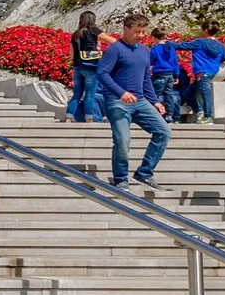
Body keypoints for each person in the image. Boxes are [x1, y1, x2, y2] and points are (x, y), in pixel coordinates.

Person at [95, 13, 169, 194]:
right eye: (137, 32)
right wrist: (121, 93)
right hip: (117, 101)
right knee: (122, 140)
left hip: (141, 101)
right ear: (125, 29)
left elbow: (146, 79)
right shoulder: (115, 49)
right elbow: (102, 73)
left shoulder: (145, 51)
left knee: (164, 131)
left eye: (143, 32)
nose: (140, 36)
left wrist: (154, 101)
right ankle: (120, 179)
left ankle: (144, 172)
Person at [175, 22, 225, 122]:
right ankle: (199, 111)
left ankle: (207, 117)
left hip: (201, 73)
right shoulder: (220, 46)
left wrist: (169, 44)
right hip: (210, 73)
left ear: (205, 30)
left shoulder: (199, 42)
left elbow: (183, 46)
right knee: (187, 93)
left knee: (205, 94)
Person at [67, 12, 105, 124]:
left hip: (77, 67)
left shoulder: (75, 34)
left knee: (76, 95)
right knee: (90, 94)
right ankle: (89, 119)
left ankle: (69, 119)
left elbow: (71, 56)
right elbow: (112, 40)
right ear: (92, 19)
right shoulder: (94, 30)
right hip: (90, 67)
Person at [148, 28, 182, 120]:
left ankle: (153, 113)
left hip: (159, 74)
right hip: (170, 74)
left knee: (155, 94)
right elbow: (175, 62)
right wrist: (176, 75)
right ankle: (170, 114)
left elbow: (150, 61)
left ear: (155, 37)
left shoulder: (155, 49)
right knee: (169, 94)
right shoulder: (171, 49)